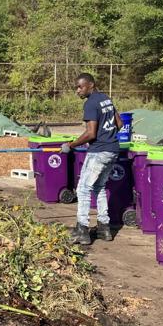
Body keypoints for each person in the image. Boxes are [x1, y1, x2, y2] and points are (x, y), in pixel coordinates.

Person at [61, 73, 123, 245]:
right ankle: (104, 229)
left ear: (90, 85)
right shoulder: (105, 99)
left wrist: (71, 145)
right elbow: (119, 124)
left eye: (80, 87)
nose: (77, 91)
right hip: (112, 150)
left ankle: (82, 230)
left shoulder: (91, 103)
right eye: (77, 87)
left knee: (82, 189)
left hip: (99, 152)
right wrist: (108, 137)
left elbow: (90, 133)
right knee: (99, 187)